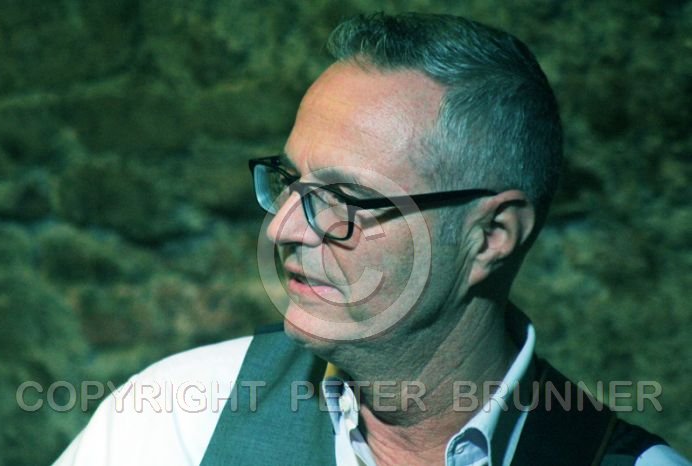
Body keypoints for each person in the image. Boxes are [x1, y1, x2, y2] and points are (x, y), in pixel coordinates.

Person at [54, 13, 689, 466]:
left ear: (491, 235)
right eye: (289, 181)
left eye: (346, 199)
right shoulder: (173, 421)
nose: (282, 228)